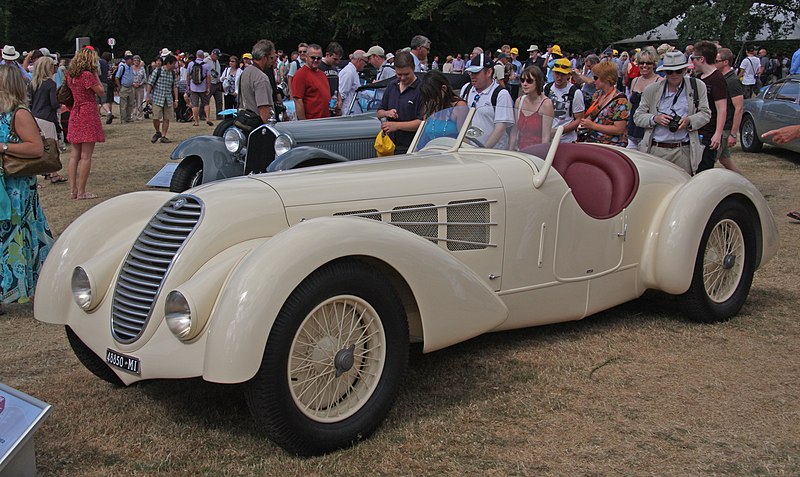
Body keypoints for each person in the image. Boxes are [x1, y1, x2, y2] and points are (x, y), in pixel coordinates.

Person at [0, 64, 55, 307]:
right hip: (4, 185)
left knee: (19, 235)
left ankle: (35, 287)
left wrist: (3, 147)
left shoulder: (19, 114)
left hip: (17, 188)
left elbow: (34, 147)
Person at [633, 51, 711, 175]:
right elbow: (637, 117)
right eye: (669, 72)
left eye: (678, 71)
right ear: (664, 72)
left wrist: (689, 121)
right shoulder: (652, 90)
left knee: (684, 188)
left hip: (684, 150)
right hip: (657, 149)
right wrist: (655, 119)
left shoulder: (697, 86)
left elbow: (706, 114)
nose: (674, 75)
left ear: (685, 70)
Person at [65, 47, 105, 200]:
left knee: (74, 155)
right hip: (87, 111)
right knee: (86, 155)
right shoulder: (87, 75)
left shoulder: (70, 75)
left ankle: (73, 190)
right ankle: (82, 192)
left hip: (75, 111)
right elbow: (101, 91)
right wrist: (96, 74)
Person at [461, 52, 515, 149]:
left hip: (492, 154)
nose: (472, 76)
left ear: (489, 72)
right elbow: (462, 120)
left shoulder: (501, 94)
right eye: (471, 72)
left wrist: (483, 150)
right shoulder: (466, 89)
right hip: (469, 151)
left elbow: (500, 128)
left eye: (476, 73)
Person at [28, 57, 67, 183]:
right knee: (52, 146)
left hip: (35, 117)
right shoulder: (50, 84)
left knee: (40, 146)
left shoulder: (33, 83)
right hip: (47, 118)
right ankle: (53, 173)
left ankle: (47, 172)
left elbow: (30, 102)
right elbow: (53, 104)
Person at [692, 41, 728, 173]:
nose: (692, 62)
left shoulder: (717, 79)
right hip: (696, 130)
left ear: (701, 59)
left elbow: (722, 109)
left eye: (693, 59)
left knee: (704, 170)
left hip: (708, 133)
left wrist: (717, 134)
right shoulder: (698, 77)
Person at [377, 52, 424, 154]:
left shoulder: (422, 90)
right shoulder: (392, 86)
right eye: (399, 74)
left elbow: (422, 123)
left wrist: (396, 126)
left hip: (412, 148)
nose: (402, 78)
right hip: (390, 146)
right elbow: (379, 112)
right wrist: (386, 113)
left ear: (413, 68)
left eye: (406, 74)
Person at [579, 61, 630, 147]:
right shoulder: (598, 95)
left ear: (606, 78)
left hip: (610, 146)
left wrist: (593, 126)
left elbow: (619, 129)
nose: (593, 80)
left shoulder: (620, 100)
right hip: (592, 142)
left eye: (596, 77)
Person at [509, 66, 554, 151]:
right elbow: (514, 131)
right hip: (519, 151)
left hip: (536, 153)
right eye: (522, 80)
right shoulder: (519, 101)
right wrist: (510, 151)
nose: (524, 84)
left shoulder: (546, 104)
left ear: (538, 82)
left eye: (529, 81)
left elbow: (545, 137)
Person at [714, 47, 744, 174]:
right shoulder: (723, 78)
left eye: (716, 60)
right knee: (725, 159)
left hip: (725, 128)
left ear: (725, 62)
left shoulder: (732, 81)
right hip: (723, 127)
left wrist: (733, 134)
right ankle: (744, 183)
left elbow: (739, 108)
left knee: (710, 160)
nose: (714, 63)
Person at [626, 47, 662, 150]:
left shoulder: (660, 81)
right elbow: (631, 105)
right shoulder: (635, 81)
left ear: (654, 64)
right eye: (641, 63)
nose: (644, 66)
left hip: (649, 131)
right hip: (633, 129)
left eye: (648, 63)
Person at [545, 58, 584, 143]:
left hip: (566, 140)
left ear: (568, 75)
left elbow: (579, 119)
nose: (559, 77)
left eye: (563, 74)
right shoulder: (546, 88)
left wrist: (559, 131)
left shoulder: (575, 93)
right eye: (557, 73)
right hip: (547, 139)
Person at [239, 40, 275, 124]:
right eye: (271, 58)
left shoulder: (246, 72)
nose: (273, 61)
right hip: (258, 125)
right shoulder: (261, 78)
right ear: (264, 58)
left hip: (245, 122)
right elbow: (264, 109)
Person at [146, 54, 179, 144]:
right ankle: (157, 132)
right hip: (157, 97)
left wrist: (176, 99)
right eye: (173, 64)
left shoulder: (173, 73)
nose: (174, 66)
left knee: (166, 118)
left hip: (168, 98)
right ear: (168, 63)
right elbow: (150, 83)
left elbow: (175, 86)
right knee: (156, 117)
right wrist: (148, 96)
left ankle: (164, 135)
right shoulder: (158, 71)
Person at [292, 44, 330, 120]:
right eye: (313, 57)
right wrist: (304, 124)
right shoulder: (300, 74)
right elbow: (298, 100)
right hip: (311, 122)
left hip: (326, 120)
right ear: (306, 57)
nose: (316, 60)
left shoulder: (322, 74)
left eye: (318, 58)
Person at [187, 50, 212, 127]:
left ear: (196, 55)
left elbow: (188, 75)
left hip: (193, 87)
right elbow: (208, 77)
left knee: (195, 105)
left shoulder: (191, 64)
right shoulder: (206, 65)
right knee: (206, 103)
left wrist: (188, 85)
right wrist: (208, 87)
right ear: (203, 56)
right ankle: (207, 118)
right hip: (203, 87)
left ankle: (196, 121)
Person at [339, 50, 366, 116]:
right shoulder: (348, 72)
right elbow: (342, 94)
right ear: (359, 60)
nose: (365, 65)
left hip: (354, 112)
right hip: (348, 113)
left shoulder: (354, 72)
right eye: (365, 62)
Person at [115, 54, 135, 123]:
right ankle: (123, 119)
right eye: (131, 60)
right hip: (124, 87)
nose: (132, 61)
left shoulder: (131, 67)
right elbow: (117, 77)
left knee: (130, 104)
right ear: (127, 60)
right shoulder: (122, 67)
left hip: (130, 87)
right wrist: (119, 86)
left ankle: (129, 117)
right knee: (123, 104)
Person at [205, 49, 223, 119]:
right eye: (217, 55)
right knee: (206, 100)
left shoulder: (217, 61)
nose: (217, 57)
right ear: (213, 54)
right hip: (210, 83)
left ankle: (219, 115)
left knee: (219, 101)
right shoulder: (206, 61)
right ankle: (203, 114)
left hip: (217, 82)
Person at [131, 55, 147, 121]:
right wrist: (133, 83)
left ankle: (139, 116)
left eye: (138, 61)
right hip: (132, 86)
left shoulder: (142, 69)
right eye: (135, 60)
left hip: (140, 87)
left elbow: (145, 78)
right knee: (131, 101)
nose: (136, 62)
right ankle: (131, 115)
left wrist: (141, 83)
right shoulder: (130, 68)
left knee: (139, 102)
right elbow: (128, 77)